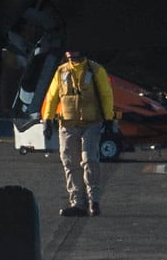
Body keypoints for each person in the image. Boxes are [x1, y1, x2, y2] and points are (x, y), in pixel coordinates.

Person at [40, 48, 116, 216]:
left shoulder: (96, 70)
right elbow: (52, 96)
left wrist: (109, 119)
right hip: (67, 124)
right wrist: (47, 119)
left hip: (91, 123)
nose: (70, 54)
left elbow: (106, 94)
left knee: (89, 160)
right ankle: (77, 203)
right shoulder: (61, 71)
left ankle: (93, 200)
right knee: (70, 162)